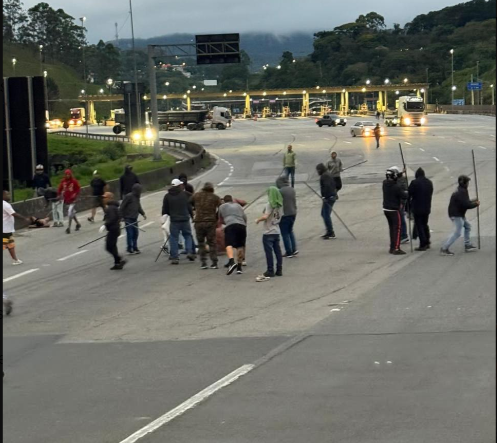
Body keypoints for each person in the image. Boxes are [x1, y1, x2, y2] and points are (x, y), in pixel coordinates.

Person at [440, 175, 479, 256]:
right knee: (457, 233)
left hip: (458, 213)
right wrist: (476, 204)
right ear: (463, 183)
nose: (468, 183)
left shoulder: (461, 190)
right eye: (467, 182)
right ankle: (444, 248)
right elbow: (466, 205)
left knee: (467, 226)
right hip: (456, 214)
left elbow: (465, 202)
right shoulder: (462, 192)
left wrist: (473, 201)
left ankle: (467, 245)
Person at [162, 178, 196, 264]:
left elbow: (165, 210)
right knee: (187, 235)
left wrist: (169, 215)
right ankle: (189, 251)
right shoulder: (185, 194)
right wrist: (192, 216)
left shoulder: (167, 196)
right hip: (185, 219)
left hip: (174, 220)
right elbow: (190, 206)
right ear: (179, 185)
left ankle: (175, 257)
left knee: (174, 238)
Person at [191, 182, 221, 269]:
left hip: (199, 222)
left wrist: (195, 208)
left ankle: (203, 263)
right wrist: (216, 216)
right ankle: (214, 262)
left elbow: (188, 202)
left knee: (201, 243)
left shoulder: (196, 195)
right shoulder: (215, 197)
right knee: (212, 243)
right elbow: (221, 206)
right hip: (210, 222)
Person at [255, 186, 283, 281]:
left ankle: (270, 270)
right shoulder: (280, 205)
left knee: (269, 252)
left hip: (268, 231)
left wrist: (258, 220)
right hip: (276, 230)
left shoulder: (270, 204)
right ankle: (279, 269)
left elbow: (265, 216)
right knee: (277, 251)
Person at [219, 195, 247, 275]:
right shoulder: (238, 206)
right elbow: (244, 217)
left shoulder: (222, 206)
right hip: (242, 226)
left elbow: (220, 220)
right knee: (240, 246)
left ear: (224, 201)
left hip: (230, 225)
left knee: (228, 244)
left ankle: (231, 261)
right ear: (232, 200)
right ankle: (239, 267)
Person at [382, 167, 408, 255]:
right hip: (394, 210)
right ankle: (396, 248)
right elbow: (404, 196)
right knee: (397, 229)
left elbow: (394, 178)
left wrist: (400, 174)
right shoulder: (396, 187)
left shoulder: (385, 183)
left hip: (386, 209)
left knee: (392, 229)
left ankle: (392, 247)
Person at [408, 168, 433, 251]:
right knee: (425, 224)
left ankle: (423, 243)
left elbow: (409, 194)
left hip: (417, 207)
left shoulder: (414, 183)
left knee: (419, 226)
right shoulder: (429, 182)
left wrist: (407, 206)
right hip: (427, 207)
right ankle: (428, 241)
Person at [3, 190, 30, 265]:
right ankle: (15, 259)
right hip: (4, 229)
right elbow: (13, 214)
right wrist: (24, 218)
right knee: (6, 244)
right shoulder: (5, 205)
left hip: (7, 229)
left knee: (10, 244)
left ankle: (15, 259)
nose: (9, 196)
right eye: (7, 194)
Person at [119, 183, 146, 254]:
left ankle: (135, 247)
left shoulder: (137, 197)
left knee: (135, 233)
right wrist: (121, 217)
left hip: (134, 218)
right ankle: (129, 248)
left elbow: (138, 206)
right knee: (130, 234)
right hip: (128, 218)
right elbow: (122, 207)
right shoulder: (128, 196)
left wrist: (143, 213)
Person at [103, 192, 127, 270]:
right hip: (116, 229)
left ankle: (119, 258)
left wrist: (105, 224)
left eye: (105, 197)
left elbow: (112, 218)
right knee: (113, 246)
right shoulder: (114, 207)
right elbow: (119, 216)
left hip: (113, 229)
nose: (103, 199)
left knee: (108, 246)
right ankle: (117, 263)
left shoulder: (110, 208)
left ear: (109, 198)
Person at [276, 176, 298, 257]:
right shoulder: (292, 189)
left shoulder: (280, 191)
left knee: (285, 233)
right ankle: (294, 249)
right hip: (293, 213)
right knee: (290, 231)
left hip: (285, 214)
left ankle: (289, 252)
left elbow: (277, 203)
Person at [316, 163, 337, 239]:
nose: (317, 172)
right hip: (332, 196)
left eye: (318, 170)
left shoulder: (324, 176)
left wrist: (325, 196)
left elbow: (327, 186)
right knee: (324, 214)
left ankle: (330, 232)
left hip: (329, 197)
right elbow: (334, 184)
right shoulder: (328, 174)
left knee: (325, 215)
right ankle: (329, 230)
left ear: (320, 169)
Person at [57, 169, 81, 234]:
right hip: (66, 200)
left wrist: (75, 194)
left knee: (70, 212)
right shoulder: (63, 181)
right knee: (72, 213)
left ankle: (69, 228)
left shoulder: (74, 181)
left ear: (70, 174)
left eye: (69, 174)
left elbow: (78, 189)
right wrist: (59, 196)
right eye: (66, 174)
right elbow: (59, 189)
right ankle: (78, 223)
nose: (67, 175)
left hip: (73, 200)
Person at [391, 166, 409, 244]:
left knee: (400, 220)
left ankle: (403, 236)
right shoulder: (402, 179)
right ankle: (402, 235)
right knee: (400, 219)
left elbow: (402, 190)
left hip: (400, 202)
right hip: (400, 202)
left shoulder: (399, 181)